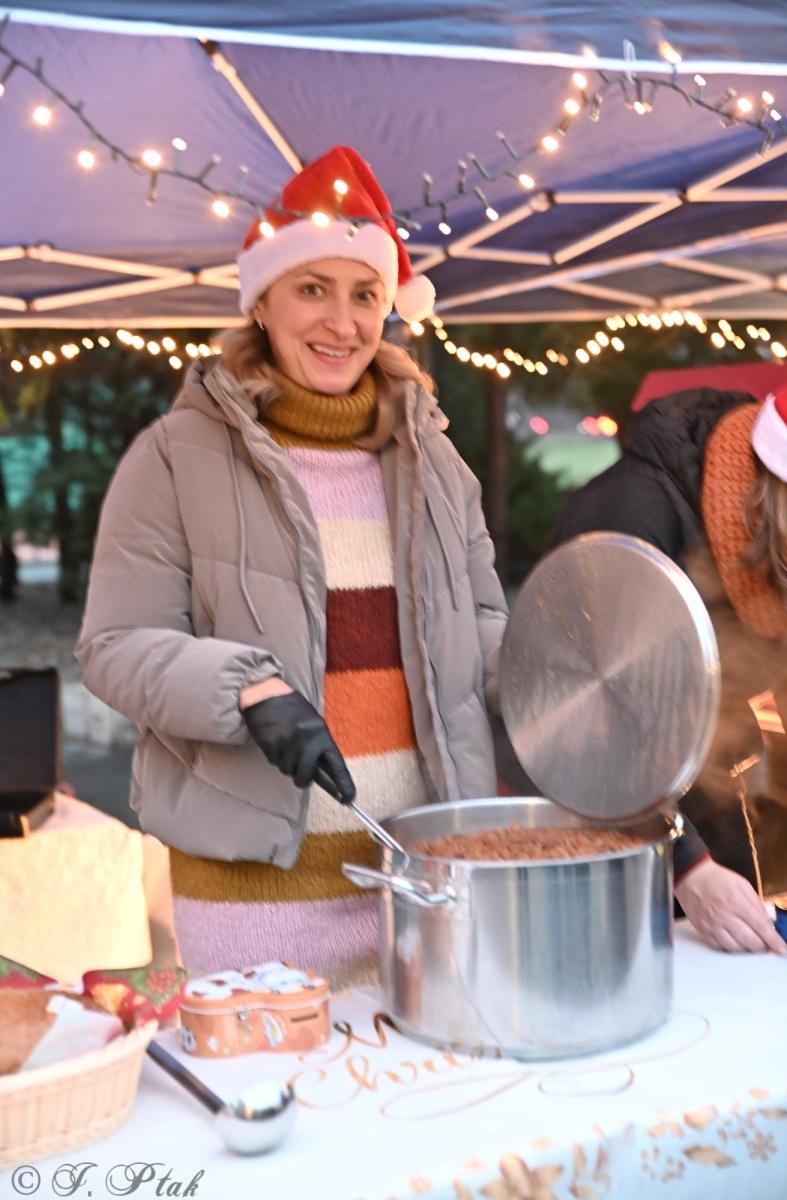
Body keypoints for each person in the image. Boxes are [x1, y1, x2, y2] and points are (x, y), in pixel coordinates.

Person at [75, 145, 508, 986]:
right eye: (312, 289)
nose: (340, 323)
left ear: (390, 309)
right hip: (252, 897)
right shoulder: (173, 455)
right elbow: (115, 644)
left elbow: (483, 631)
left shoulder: (440, 466)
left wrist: (567, 677)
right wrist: (246, 687)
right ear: (262, 303)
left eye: (364, 296)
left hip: (423, 881)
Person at [551, 382, 787, 956]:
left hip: (719, 817)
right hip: (619, 848)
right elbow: (581, 724)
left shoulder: (768, 532)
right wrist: (687, 867)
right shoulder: (626, 516)